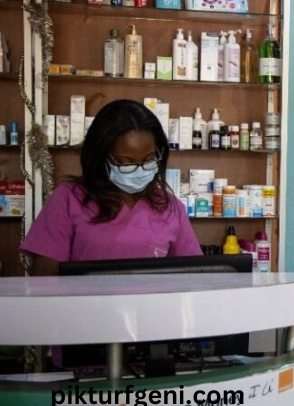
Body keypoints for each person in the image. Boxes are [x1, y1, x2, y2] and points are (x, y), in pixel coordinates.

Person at [20, 99, 202, 275]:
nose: (140, 169)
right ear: (101, 156)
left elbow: (195, 274)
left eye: (148, 160)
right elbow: (44, 282)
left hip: (150, 306)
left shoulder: (170, 207)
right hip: (84, 306)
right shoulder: (68, 199)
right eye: (126, 163)